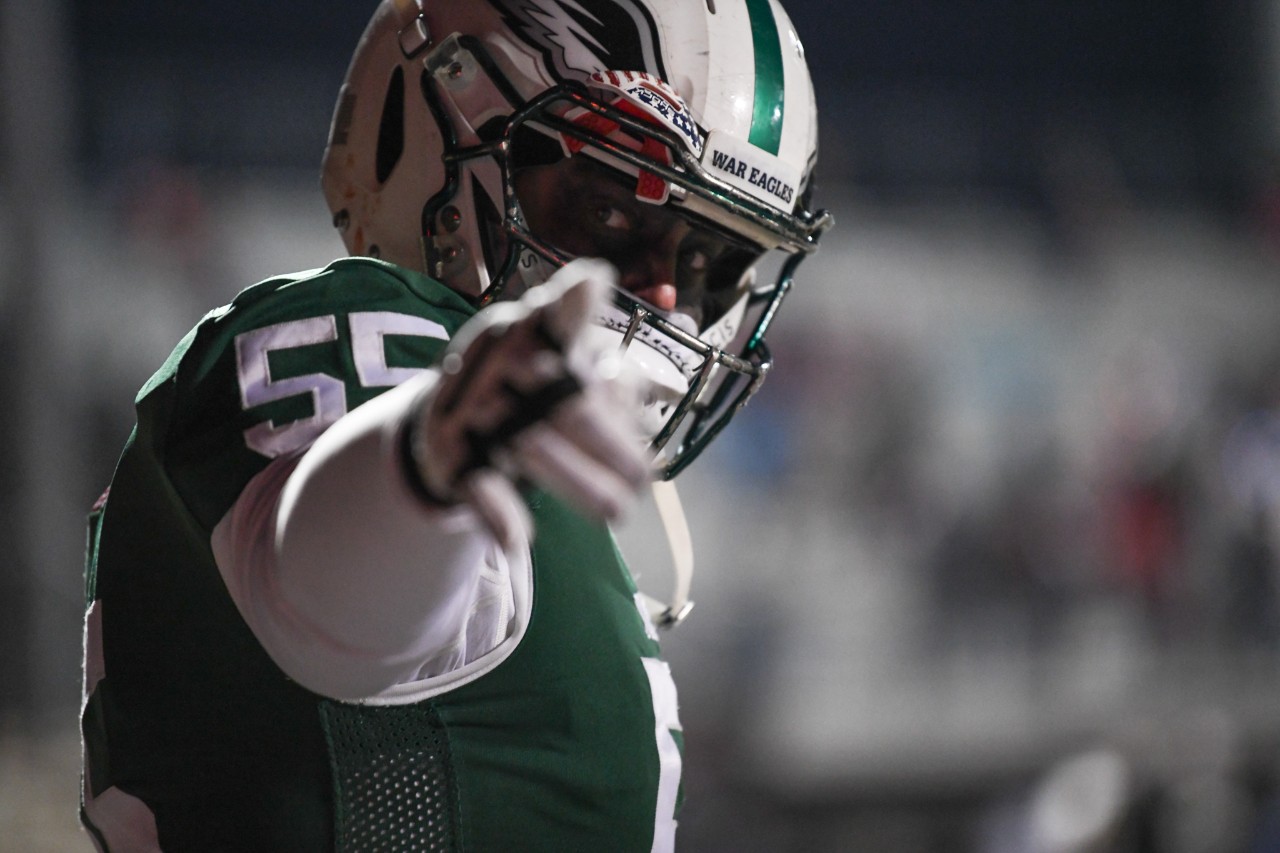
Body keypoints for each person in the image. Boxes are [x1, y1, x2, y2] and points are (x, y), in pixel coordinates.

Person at [79, 0, 830, 849]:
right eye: (613, 213)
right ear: (435, 132)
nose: (665, 296)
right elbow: (328, 601)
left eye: (711, 259)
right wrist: (424, 461)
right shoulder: (368, 331)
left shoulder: (532, 492)